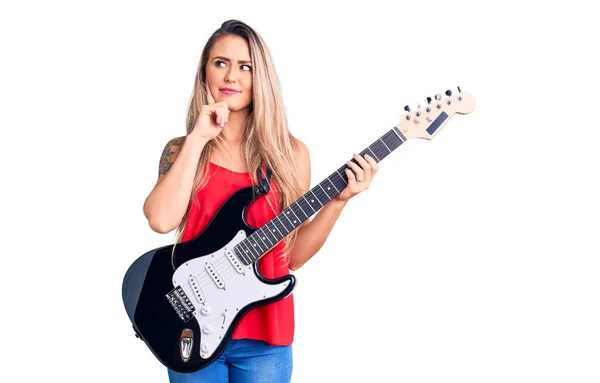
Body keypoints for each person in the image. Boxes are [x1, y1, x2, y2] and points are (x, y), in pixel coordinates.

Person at [142, 19, 379, 383]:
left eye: (245, 66)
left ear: (260, 78)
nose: (231, 76)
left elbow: (293, 256)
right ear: (204, 72)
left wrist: (337, 202)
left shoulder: (291, 154)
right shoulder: (182, 149)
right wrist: (198, 138)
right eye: (220, 63)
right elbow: (160, 219)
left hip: (266, 336)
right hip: (191, 324)